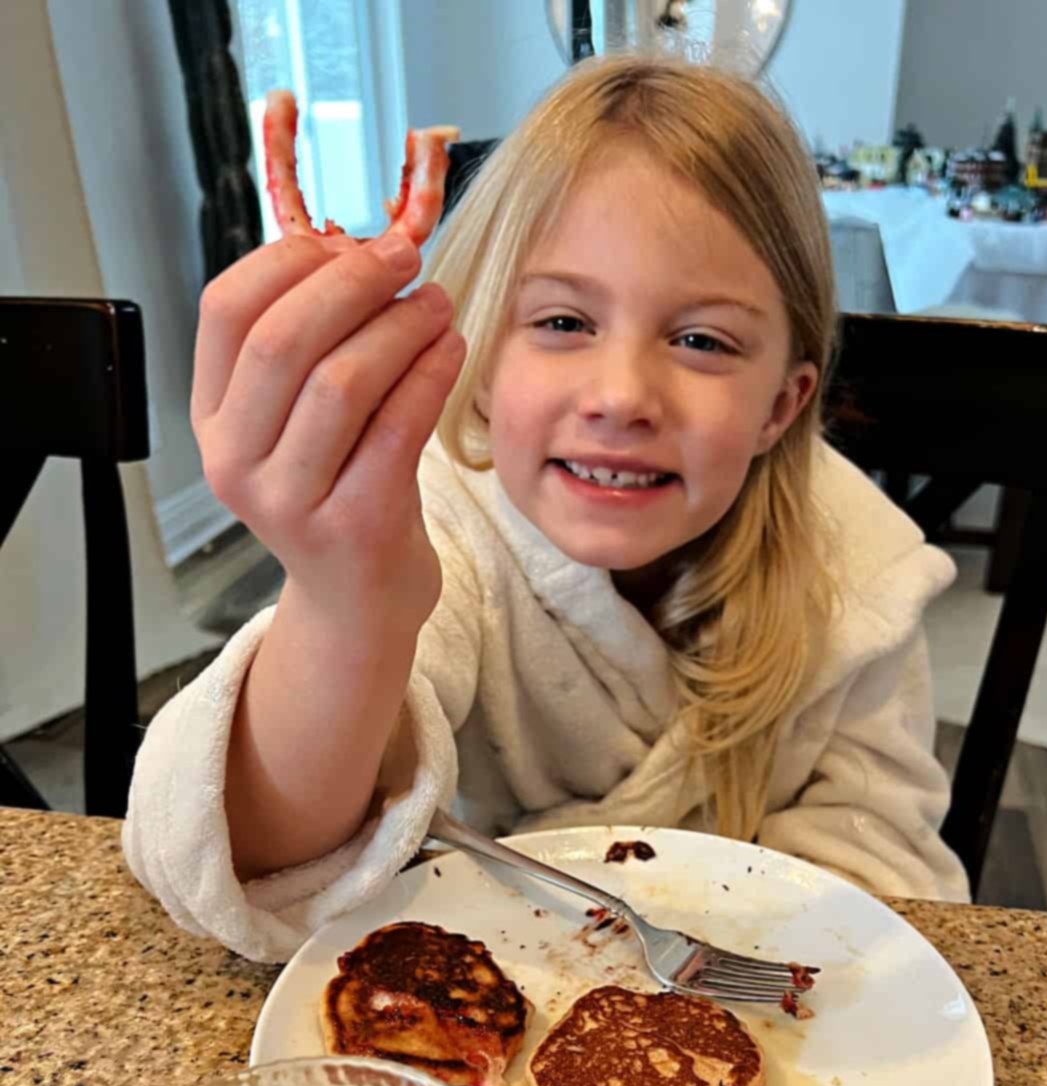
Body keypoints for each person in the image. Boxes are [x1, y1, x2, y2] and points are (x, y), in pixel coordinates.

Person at [124, 54, 969, 965]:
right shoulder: (433, 523)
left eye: (701, 340)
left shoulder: (861, 573)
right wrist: (347, 600)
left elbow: (884, 875)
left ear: (780, 406)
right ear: (481, 364)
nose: (619, 396)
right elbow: (237, 859)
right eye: (563, 322)